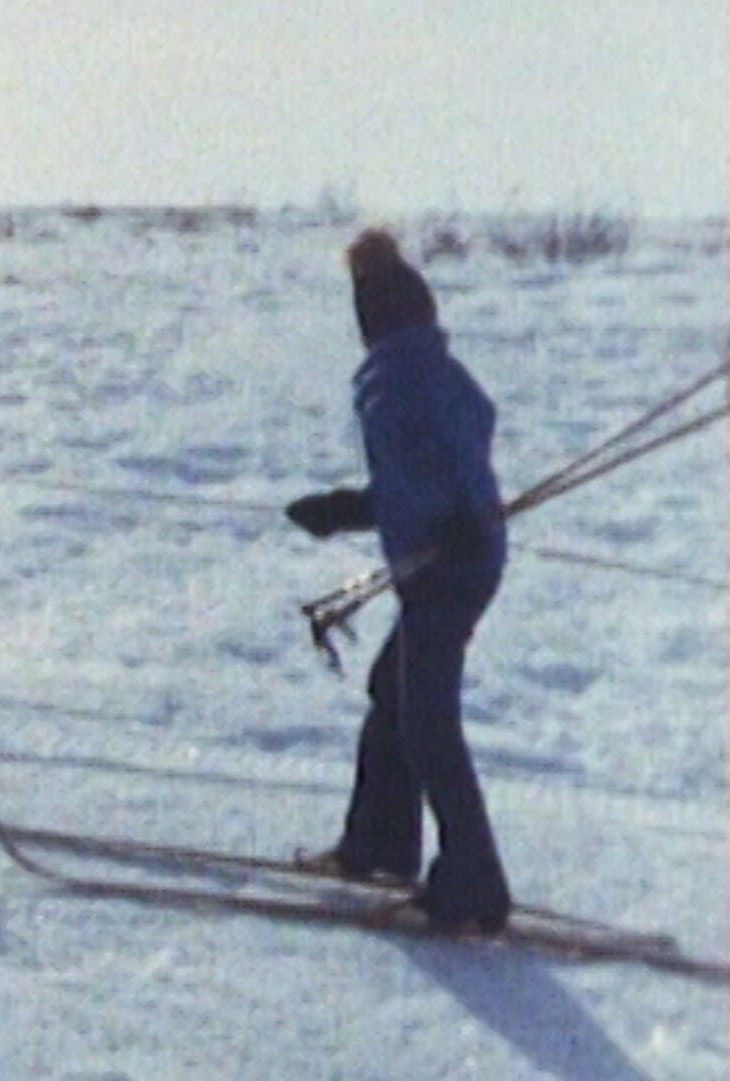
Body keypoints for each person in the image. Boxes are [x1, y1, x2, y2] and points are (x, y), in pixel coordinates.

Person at [284, 229, 511, 932]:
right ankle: (380, 845)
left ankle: (474, 884)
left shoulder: (393, 382)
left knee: (427, 721)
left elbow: (412, 484)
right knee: (395, 691)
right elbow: (470, 431)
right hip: (462, 559)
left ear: (371, 318)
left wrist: (348, 509)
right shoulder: (434, 368)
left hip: (446, 569)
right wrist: (462, 506)